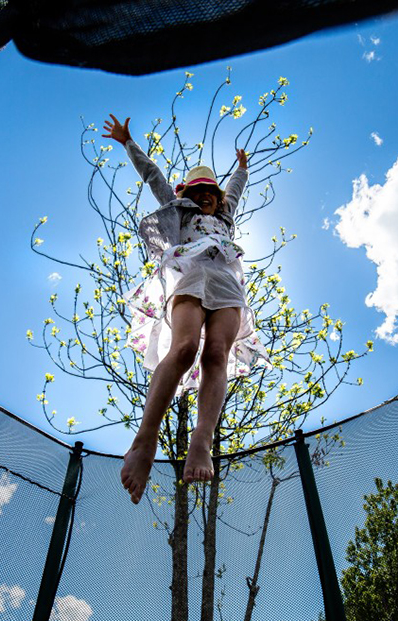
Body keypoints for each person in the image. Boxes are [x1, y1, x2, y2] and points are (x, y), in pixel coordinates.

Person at [102, 114, 269, 504]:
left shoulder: (224, 217)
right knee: (184, 349)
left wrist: (242, 169)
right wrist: (129, 143)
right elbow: (154, 177)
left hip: (227, 283)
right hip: (190, 276)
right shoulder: (181, 211)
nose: (206, 196)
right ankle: (145, 441)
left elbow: (235, 190)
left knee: (217, 355)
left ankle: (202, 441)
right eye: (198, 192)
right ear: (188, 195)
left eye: (211, 191)